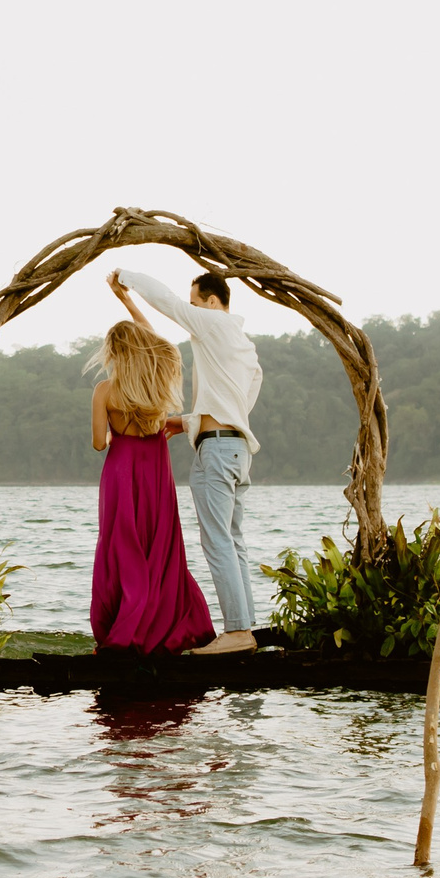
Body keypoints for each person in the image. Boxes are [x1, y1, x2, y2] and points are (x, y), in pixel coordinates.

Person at [111, 267, 263, 654]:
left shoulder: (212, 322)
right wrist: (187, 421)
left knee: (217, 541)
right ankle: (245, 627)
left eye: (196, 302)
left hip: (216, 450)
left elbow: (168, 303)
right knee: (234, 540)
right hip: (237, 449)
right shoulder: (246, 350)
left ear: (212, 303)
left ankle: (236, 632)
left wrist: (126, 277)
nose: (191, 310)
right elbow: (235, 406)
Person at [84, 317, 216, 655]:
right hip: (156, 467)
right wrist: (128, 301)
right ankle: (161, 625)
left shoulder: (105, 390)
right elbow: (166, 346)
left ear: (113, 351)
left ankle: (122, 627)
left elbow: (100, 443)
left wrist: (115, 430)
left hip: (120, 468)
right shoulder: (159, 382)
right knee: (159, 543)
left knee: (121, 544)